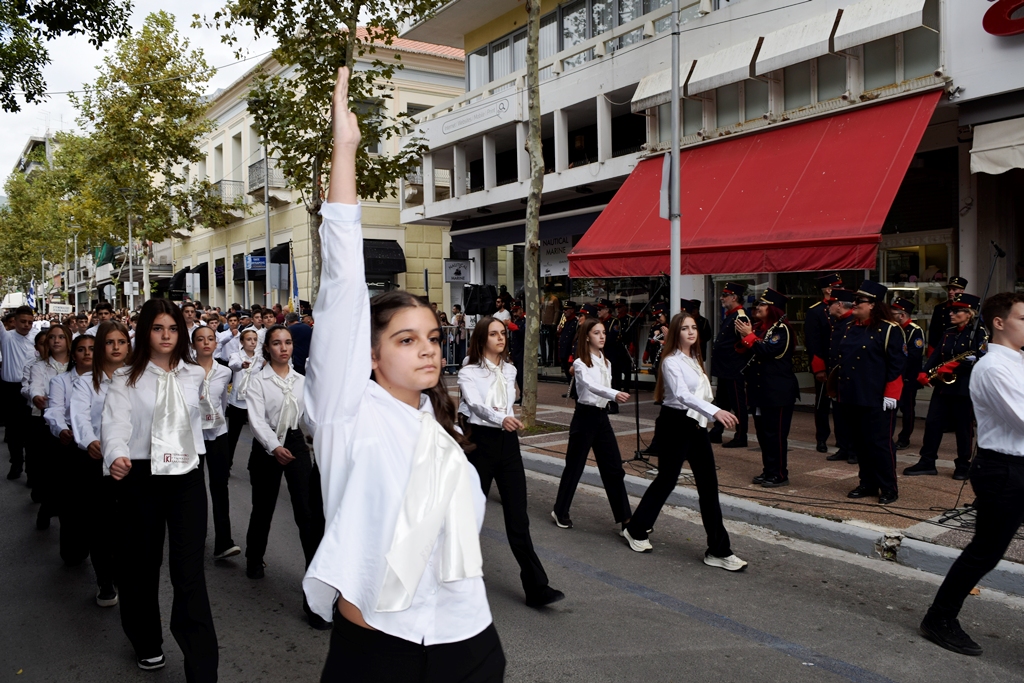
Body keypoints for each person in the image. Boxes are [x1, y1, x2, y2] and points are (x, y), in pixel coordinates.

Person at [303, 67, 505, 681]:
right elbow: (341, 280)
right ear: (368, 354)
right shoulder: (347, 412)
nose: (427, 350)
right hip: (382, 648)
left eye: (434, 338)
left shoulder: (438, 427)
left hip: (469, 639)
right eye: (406, 339)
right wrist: (344, 150)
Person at [101, 299, 218, 678]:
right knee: (140, 567)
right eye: (157, 328)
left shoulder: (193, 374)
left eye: (172, 329)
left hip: (186, 477)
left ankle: (201, 664)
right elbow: (115, 423)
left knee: (189, 572)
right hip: (141, 477)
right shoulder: (125, 379)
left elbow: (201, 421)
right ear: (144, 332)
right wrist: (116, 454)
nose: (166, 336)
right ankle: (146, 640)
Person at [917, 292, 1024, 656]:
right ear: (999, 322)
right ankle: (940, 617)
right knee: (985, 552)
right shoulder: (993, 367)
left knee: (986, 550)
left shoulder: (1019, 362)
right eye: (1023, 318)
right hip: (1004, 470)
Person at [622, 311, 747, 572]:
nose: (691, 332)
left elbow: (698, 394)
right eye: (684, 328)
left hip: (696, 426)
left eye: (694, 328)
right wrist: (716, 412)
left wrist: (711, 413)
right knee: (666, 480)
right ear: (675, 333)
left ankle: (718, 550)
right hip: (674, 425)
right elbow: (681, 395)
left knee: (709, 486)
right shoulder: (670, 361)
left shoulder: (694, 359)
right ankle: (635, 528)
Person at [458, 316, 565, 607]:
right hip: (479, 443)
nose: (500, 338)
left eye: (502, 333)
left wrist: (508, 413)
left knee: (519, 518)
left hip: (508, 446)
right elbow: (476, 405)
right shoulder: (469, 372)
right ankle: (451, 581)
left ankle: (536, 587)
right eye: (493, 334)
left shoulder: (510, 369)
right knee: (467, 516)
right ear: (481, 339)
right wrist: (500, 417)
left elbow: (510, 400)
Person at [243, 324, 328, 629]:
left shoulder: (302, 382)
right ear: (267, 348)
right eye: (277, 343)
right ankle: (254, 558)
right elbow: (256, 421)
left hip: (293, 443)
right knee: (263, 508)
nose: (283, 348)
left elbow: (310, 419)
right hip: (267, 447)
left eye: (288, 343)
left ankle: (315, 598)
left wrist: (324, 442)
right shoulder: (257, 381)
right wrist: (273, 447)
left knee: (307, 514)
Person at [51, 333, 119, 607]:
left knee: (122, 521)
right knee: (91, 516)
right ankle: (103, 577)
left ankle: (118, 569)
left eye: (93, 348)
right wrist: (83, 438)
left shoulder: (134, 378)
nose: (88, 353)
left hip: (127, 460)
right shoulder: (73, 382)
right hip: (83, 451)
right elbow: (69, 413)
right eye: (82, 349)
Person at [552, 317, 632, 529]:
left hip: (601, 417)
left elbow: (602, 387)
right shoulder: (579, 363)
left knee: (614, 468)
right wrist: (614, 394)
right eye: (597, 333)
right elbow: (591, 385)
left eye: (603, 332)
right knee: (575, 467)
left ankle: (625, 518)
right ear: (587, 337)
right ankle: (560, 510)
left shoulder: (607, 362)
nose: (602, 336)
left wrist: (612, 396)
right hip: (584, 417)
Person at [832, 281, 906, 505]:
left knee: (880, 443)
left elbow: (897, 364)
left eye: (859, 302)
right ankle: (867, 482)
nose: (854, 305)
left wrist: (891, 394)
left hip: (877, 397)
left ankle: (888, 486)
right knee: (860, 443)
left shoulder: (889, 329)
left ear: (873, 305)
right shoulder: (849, 327)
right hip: (853, 395)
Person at [904, 293, 988, 480]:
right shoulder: (949, 331)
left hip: (964, 387)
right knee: (933, 423)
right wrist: (925, 371)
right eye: (951, 310)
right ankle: (927, 461)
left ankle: (963, 464)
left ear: (969, 313)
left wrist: (954, 365)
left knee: (962, 427)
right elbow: (936, 354)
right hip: (943, 386)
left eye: (957, 311)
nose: (951, 314)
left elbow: (981, 359)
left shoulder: (979, 332)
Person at [735, 289, 799, 488]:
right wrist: (745, 336)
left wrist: (749, 337)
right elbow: (744, 350)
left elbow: (768, 351)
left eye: (763, 305)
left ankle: (779, 473)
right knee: (763, 434)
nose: (757, 308)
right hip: (760, 390)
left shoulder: (782, 330)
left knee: (776, 434)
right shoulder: (758, 328)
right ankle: (768, 470)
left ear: (773, 308)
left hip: (777, 391)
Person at [191, 326, 239, 561]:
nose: (206, 343)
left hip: (218, 434)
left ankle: (224, 541)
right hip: (192, 436)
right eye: (200, 339)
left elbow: (223, 401)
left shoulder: (225, 372)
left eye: (210, 338)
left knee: (220, 487)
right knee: (195, 490)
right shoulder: (185, 371)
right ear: (193, 344)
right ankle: (193, 541)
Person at [23, 324, 73, 528]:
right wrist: (36, 396)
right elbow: (34, 387)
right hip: (46, 424)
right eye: (52, 337)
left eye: (61, 337)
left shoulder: (77, 366)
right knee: (49, 471)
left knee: (68, 474)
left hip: (73, 426)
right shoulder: (38, 367)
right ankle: (47, 508)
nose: (56, 341)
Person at [708, 283, 751, 448]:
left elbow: (746, 342)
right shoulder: (731, 315)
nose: (721, 298)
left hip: (733, 368)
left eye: (725, 295)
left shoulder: (740, 316)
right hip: (725, 368)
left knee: (738, 404)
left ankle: (741, 436)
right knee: (722, 403)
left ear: (734, 297)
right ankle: (717, 431)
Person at [806, 273, 842, 453]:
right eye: (837, 286)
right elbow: (813, 343)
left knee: (840, 404)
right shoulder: (815, 311)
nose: (841, 289)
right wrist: (819, 368)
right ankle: (822, 438)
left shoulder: (844, 308)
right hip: (824, 363)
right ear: (828, 289)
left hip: (840, 364)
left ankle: (842, 439)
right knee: (822, 404)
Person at [1, 305, 37, 480]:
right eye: (23, 321)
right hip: (11, 390)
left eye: (30, 322)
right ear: (14, 321)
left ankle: (31, 471)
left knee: (31, 433)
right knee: (14, 430)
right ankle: (16, 464)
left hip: (31, 390)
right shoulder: (6, 338)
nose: (26, 325)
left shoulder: (37, 338)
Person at [824, 289, 858, 464]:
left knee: (850, 416)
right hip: (836, 375)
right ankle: (844, 447)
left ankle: (854, 450)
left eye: (830, 303)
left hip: (849, 376)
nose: (827, 305)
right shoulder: (838, 322)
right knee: (839, 414)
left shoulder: (853, 322)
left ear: (839, 305)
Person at [890, 297, 925, 450]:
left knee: (907, 409)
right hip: (894, 375)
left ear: (902, 315)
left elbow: (913, 356)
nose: (891, 316)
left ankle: (905, 437)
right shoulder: (894, 329)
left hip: (908, 377)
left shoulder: (915, 331)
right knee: (891, 407)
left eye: (893, 314)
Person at [226, 329, 263, 471]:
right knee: (233, 435)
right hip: (238, 401)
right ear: (242, 342)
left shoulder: (259, 359)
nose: (252, 342)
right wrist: (242, 365)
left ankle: (254, 464)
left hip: (254, 401)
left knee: (259, 434)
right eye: (249, 339)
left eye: (255, 339)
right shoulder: (236, 356)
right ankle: (226, 465)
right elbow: (233, 366)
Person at [927, 276, 968, 353]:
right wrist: (931, 352)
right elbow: (933, 331)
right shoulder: (939, 308)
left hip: (960, 349)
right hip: (941, 348)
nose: (950, 292)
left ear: (962, 291)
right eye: (949, 289)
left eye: (954, 289)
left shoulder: (968, 309)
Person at [557, 300, 578, 383]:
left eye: (566, 309)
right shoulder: (566, 322)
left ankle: (574, 391)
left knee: (572, 372)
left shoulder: (575, 322)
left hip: (570, 352)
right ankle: (571, 389)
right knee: (567, 371)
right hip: (564, 351)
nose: (564, 311)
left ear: (572, 310)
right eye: (563, 310)